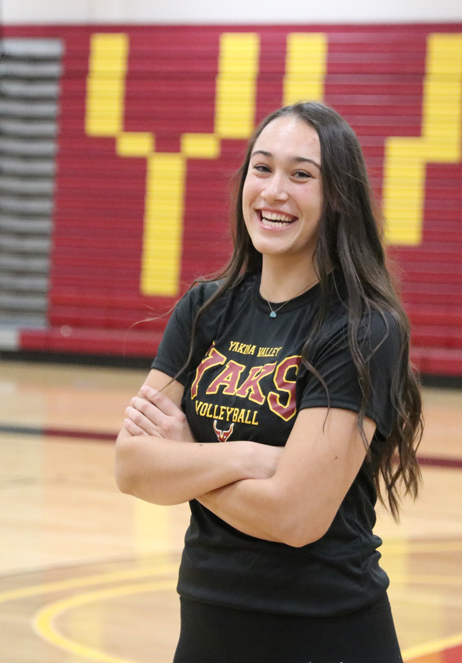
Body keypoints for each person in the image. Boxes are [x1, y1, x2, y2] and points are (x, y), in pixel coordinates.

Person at [114, 101, 423, 662]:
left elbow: (296, 517)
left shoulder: (361, 329)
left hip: (326, 632)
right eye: (262, 168)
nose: (274, 191)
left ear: (337, 199)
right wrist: (245, 458)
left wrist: (188, 456)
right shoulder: (204, 309)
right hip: (208, 624)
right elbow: (132, 468)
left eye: (302, 175)